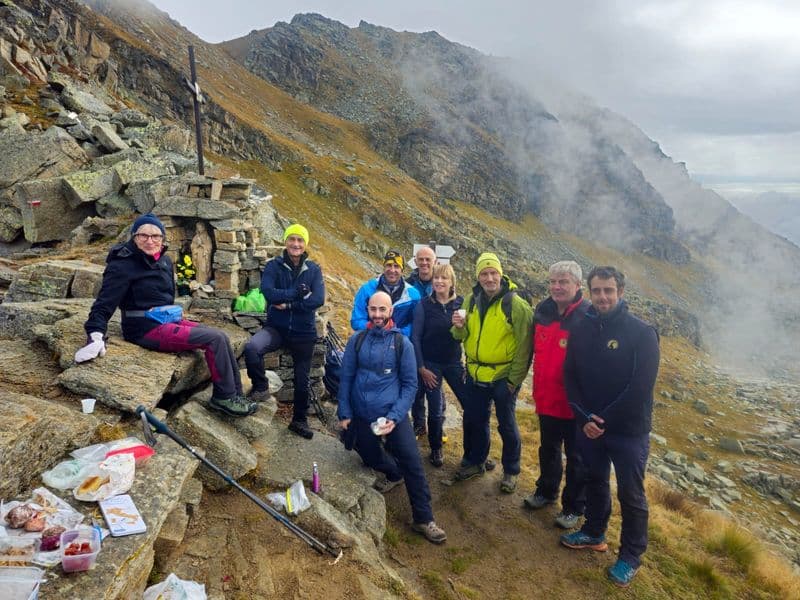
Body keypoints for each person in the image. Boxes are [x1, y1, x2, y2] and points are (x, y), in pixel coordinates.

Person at [75, 213, 257, 417]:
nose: (150, 240)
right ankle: (223, 398)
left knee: (220, 335)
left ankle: (235, 395)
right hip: (145, 329)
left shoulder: (163, 260)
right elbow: (103, 304)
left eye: (156, 236)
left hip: (166, 320)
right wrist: (95, 335)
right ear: (134, 237)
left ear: (162, 238)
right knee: (213, 339)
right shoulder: (122, 265)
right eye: (143, 235)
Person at [560, 266, 660, 588]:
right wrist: (584, 418)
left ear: (620, 292)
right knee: (595, 480)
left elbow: (641, 387)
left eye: (609, 291)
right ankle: (594, 532)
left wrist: (602, 421)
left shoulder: (643, 333)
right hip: (589, 426)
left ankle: (630, 556)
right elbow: (570, 376)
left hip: (628, 430)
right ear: (589, 292)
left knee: (631, 494)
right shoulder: (581, 328)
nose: (602, 297)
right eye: (597, 291)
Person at [337, 291, 447, 544]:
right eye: (373, 309)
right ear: (368, 310)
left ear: (390, 312)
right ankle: (392, 471)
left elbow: (410, 386)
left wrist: (395, 417)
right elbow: (346, 378)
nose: (377, 315)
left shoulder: (402, 344)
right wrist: (345, 413)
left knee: (413, 463)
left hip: (392, 417)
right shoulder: (357, 341)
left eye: (382, 310)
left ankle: (424, 518)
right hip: (361, 416)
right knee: (370, 456)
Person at [451, 252, 533, 493]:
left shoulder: (515, 305)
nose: (489, 278)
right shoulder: (470, 300)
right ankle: (475, 461)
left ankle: (511, 471)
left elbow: (526, 347)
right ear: (478, 276)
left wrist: (513, 381)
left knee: (506, 424)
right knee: (475, 419)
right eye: (484, 273)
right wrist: (458, 327)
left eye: (493, 273)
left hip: (502, 377)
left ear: (501, 273)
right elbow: (459, 336)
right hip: (475, 373)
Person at [523, 261, 589, 530]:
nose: (557, 287)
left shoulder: (588, 316)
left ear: (577, 286)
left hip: (576, 405)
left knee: (577, 458)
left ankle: (574, 507)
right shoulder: (543, 310)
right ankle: (546, 491)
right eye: (553, 282)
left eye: (563, 282)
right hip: (547, 397)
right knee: (548, 449)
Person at [243, 223, 324, 440]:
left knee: (302, 378)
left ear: (305, 244)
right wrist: (296, 293)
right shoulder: (273, 266)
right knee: (252, 347)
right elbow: (268, 293)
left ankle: (299, 420)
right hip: (276, 328)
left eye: (300, 240)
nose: (296, 244)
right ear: (286, 242)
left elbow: (318, 299)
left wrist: (288, 304)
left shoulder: (313, 270)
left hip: (303, 333)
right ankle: (261, 387)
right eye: (292, 239)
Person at [411, 263, 466, 467]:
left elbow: (469, 335)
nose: (439, 282)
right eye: (436, 278)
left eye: (444, 278)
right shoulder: (424, 304)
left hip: (454, 363)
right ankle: (436, 449)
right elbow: (415, 337)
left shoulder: (461, 304)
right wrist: (421, 368)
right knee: (435, 410)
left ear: (452, 282)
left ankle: (474, 453)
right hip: (430, 364)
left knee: (470, 405)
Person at [350, 250, 421, 337]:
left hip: (399, 343)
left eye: (396, 266)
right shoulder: (367, 289)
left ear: (402, 270)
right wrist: (374, 329)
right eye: (389, 265)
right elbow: (356, 320)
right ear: (383, 267)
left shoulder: (413, 295)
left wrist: (398, 334)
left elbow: (416, 324)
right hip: (370, 340)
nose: (392, 270)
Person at [407, 245, 436, 436]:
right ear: (416, 261)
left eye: (428, 260)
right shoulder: (408, 283)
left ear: (434, 262)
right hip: (414, 341)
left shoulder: (442, 281)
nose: (424, 263)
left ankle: (436, 427)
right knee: (416, 387)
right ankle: (419, 424)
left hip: (435, 343)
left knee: (435, 387)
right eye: (421, 259)